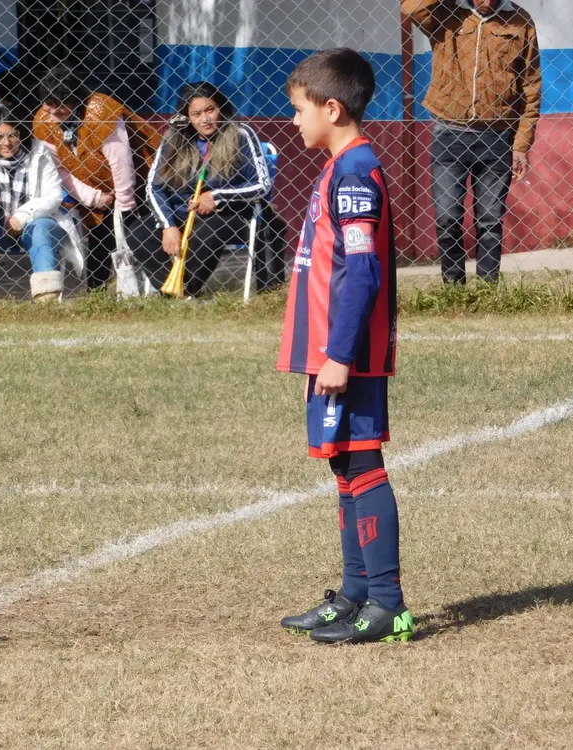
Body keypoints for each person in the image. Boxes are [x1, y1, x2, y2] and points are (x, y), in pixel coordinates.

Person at [276, 49, 412, 644]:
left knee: (362, 461)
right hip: (330, 350)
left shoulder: (355, 171)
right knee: (342, 464)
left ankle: (387, 602)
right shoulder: (337, 167)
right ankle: (356, 593)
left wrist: (339, 354)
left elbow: (362, 275)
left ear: (332, 108)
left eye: (301, 111)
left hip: (345, 353)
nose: (295, 122)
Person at [403, 0, 541, 284]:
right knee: (447, 218)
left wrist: (521, 146)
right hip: (448, 133)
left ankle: (487, 288)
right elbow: (410, 7)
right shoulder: (445, 13)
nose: (487, 2)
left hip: (497, 135)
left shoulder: (520, 20)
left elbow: (531, 85)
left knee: (490, 221)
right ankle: (453, 287)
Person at [130, 81, 274, 297]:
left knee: (206, 234)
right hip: (181, 209)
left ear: (221, 108)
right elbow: (153, 187)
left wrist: (217, 196)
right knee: (138, 232)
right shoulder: (174, 137)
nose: (205, 119)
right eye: (196, 114)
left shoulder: (241, 134)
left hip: (227, 211)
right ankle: (172, 290)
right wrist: (168, 225)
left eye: (210, 110)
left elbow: (262, 185)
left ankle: (183, 291)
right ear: (187, 117)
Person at [33, 66, 162, 290]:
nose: (53, 116)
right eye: (48, 108)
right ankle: (97, 294)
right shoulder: (44, 120)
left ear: (76, 100)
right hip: (95, 191)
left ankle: (160, 288)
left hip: (137, 183)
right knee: (100, 242)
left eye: (60, 110)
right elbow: (59, 169)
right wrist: (93, 197)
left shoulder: (102, 111)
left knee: (138, 236)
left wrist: (124, 204)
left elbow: (121, 162)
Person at [0, 106, 77, 304]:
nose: (6, 143)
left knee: (42, 227)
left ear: (23, 133)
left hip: (32, 225)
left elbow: (54, 196)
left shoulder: (39, 152)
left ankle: (47, 301)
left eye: (13, 135)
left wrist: (22, 216)